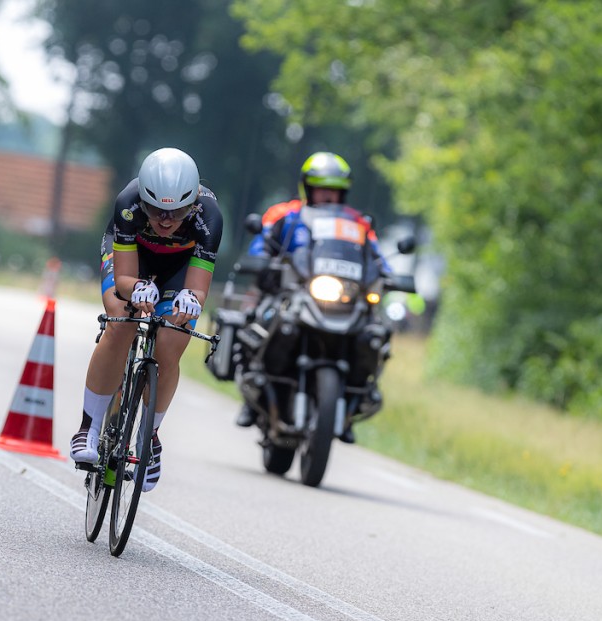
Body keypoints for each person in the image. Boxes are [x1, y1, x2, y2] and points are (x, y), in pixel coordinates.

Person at [70, 148, 223, 492]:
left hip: (179, 267)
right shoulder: (129, 203)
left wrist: (189, 301)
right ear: (143, 199)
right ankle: (88, 428)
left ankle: (148, 438)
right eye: (156, 210)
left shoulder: (209, 215)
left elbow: (198, 289)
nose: (166, 220)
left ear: (194, 202)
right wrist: (137, 287)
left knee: (172, 341)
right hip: (132, 257)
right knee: (120, 322)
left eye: (177, 211)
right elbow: (124, 277)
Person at [236, 151, 389, 440]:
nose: (328, 195)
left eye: (334, 190)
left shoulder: (359, 225)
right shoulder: (286, 215)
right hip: (292, 292)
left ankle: (351, 404)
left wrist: (388, 276)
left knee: (373, 336)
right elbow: (260, 245)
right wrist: (262, 263)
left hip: (344, 300)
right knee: (264, 321)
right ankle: (253, 397)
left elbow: (378, 260)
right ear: (308, 187)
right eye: (322, 188)